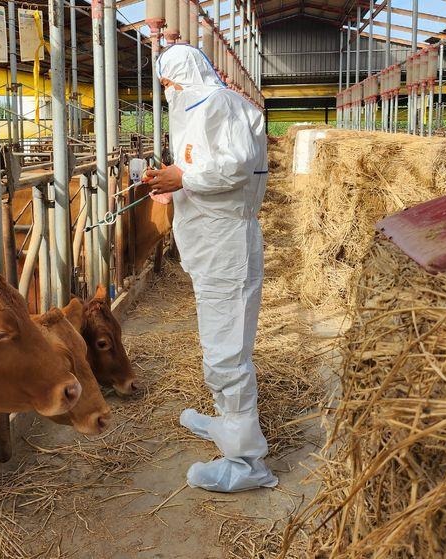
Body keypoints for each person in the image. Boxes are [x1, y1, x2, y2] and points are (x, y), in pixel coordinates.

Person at [145, 44, 277, 493]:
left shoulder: (219, 103)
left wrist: (182, 178)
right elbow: (205, 166)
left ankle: (246, 461)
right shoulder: (199, 108)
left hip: (225, 245)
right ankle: (226, 422)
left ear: (181, 76)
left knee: (227, 352)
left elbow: (235, 167)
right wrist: (173, 183)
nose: (167, 91)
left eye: (168, 83)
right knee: (219, 342)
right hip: (210, 243)